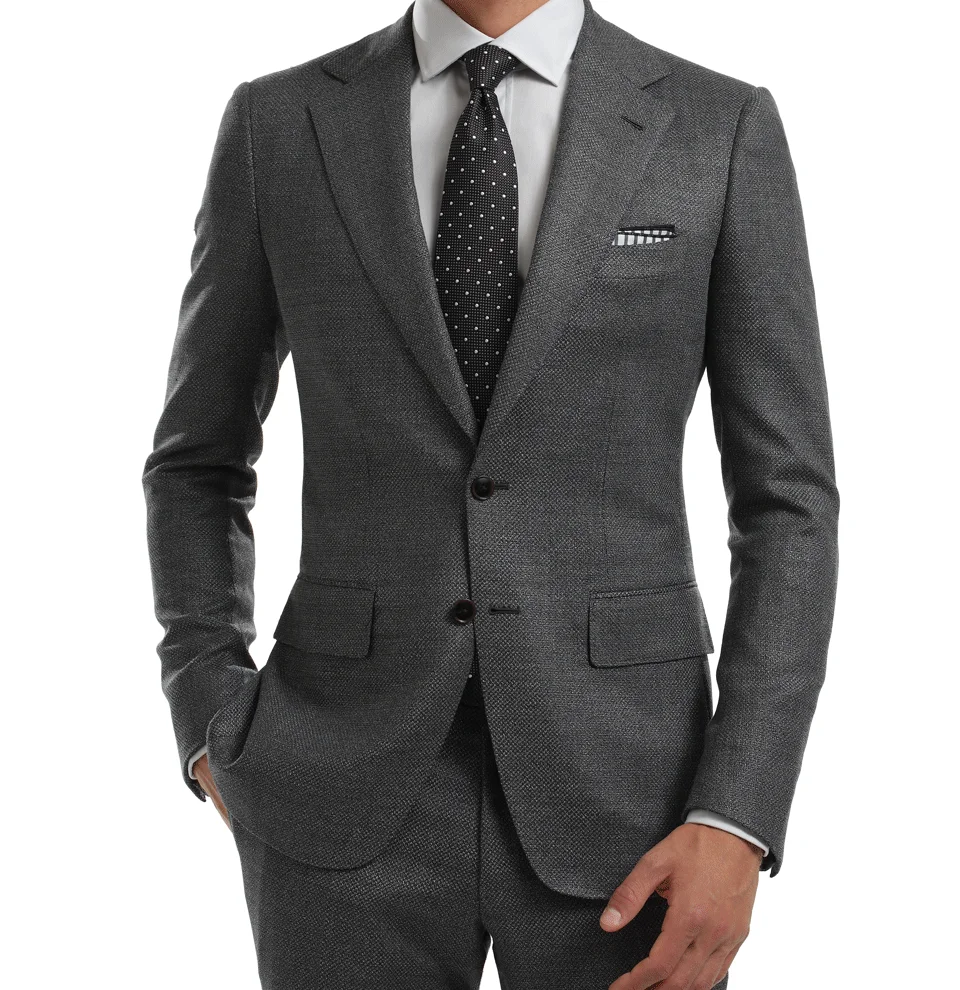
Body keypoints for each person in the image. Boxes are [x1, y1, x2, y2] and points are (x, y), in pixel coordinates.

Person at [142, 0, 839, 986]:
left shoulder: (717, 125)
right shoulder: (281, 122)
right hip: (334, 786)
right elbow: (197, 461)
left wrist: (740, 811)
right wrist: (209, 714)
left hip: (637, 796)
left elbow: (788, 502)